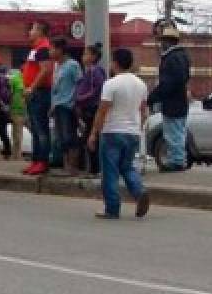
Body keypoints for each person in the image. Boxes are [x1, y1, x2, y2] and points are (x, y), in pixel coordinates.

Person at [88, 48, 150, 219]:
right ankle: (139, 191)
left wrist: (94, 133)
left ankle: (112, 208)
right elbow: (144, 111)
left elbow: (102, 111)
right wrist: (138, 127)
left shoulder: (111, 84)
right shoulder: (141, 84)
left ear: (115, 63)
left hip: (113, 131)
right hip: (132, 132)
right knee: (127, 166)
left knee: (110, 172)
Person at [147, 25, 191, 171]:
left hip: (172, 102)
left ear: (168, 41)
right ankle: (178, 159)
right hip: (180, 100)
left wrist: (152, 97)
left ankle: (176, 162)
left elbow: (168, 83)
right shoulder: (182, 56)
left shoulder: (171, 58)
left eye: (162, 40)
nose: (161, 44)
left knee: (173, 133)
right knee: (178, 131)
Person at [22, 20, 55, 176]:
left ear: (40, 32)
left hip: (40, 92)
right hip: (34, 93)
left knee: (40, 129)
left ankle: (42, 161)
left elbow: (46, 70)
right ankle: (36, 161)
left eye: (33, 29)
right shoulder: (35, 49)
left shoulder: (43, 48)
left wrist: (32, 87)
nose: (30, 32)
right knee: (35, 129)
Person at [48, 37, 83, 175]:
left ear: (60, 50)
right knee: (61, 138)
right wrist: (52, 105)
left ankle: (72, 167)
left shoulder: (72, 65)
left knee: (70, 137)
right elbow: (55, 88)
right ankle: (65, 165)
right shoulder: (57, 66)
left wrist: (76, 103)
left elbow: (79, 83)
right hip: (58, 106)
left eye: (52, 49)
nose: (50, 52)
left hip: (68, 106)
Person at [74, 43, 106, 176]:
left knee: (91, 139)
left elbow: (96, 89)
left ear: (93, 57)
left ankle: (94, 168)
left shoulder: (95, 71)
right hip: (88, 108)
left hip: (92, 108)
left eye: (86, 54)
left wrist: (80, 98)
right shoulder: (89, 71)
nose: (83, 57)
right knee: (88, 138)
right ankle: (91, 167)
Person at [8, 67, 26, 161]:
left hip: (24, 109)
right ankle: (16, 155)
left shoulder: (27, 78)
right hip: (17, 109)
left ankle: (16, 155)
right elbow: (10, 94)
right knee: (17, 133)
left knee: (17, 133)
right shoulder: (15, 79)